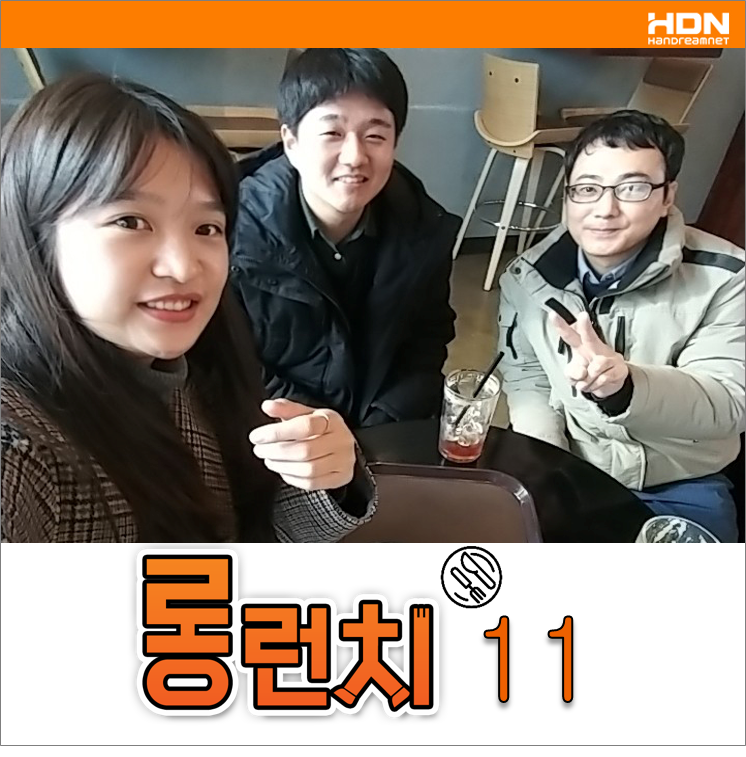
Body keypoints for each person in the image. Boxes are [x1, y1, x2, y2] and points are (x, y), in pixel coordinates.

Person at [0, 73, 375, 543]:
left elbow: (248, 532)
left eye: (206, 228)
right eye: (131, 221)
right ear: (34, 233)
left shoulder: (195, 366)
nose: (182, 267)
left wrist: (325, 474)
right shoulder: (17, 450)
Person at [497, 110, 745, 542]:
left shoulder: (726, 278)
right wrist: (548, 467)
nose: (605, 209)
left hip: (683, 479)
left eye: (632, 188)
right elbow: (526, 376)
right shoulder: (526, 277)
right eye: (587, 189)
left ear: (667, 196)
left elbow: (728, 403)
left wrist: (626, 386)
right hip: (574, 463)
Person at [230, 48, 459, 429]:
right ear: (291, 142)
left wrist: (382, 426)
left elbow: (426, 341)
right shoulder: (231, 231)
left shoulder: (425, 230)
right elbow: (229, 361)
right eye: (332, 133)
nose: (354, 156)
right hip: (275, 434)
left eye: (375, 135)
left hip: (380, 434)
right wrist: (322, 429)